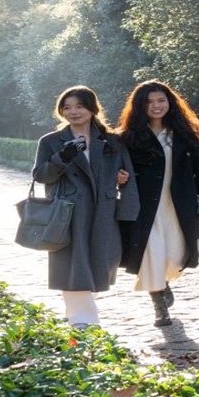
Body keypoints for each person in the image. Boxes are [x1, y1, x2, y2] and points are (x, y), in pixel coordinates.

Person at [116, 80, 199, 327]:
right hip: (144, 208)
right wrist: (117, 177)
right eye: (149, 102)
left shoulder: (185, 134)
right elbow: (115, 167)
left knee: (177, 256)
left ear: (170, 103)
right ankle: (159, 307)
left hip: (178, 205)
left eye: (161, 100)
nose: (156, 106)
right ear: (139, 106)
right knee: (150, 253)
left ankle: (163, 282)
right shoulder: (127, 138)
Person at [32, 86, 139, 329]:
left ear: (92, 108)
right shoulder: (50, 141)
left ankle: (80, 311)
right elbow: (41, 176)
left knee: (101, 262)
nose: (73, 112)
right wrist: (63, 156)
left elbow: (128, 175)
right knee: (71, 264)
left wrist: (127, 212)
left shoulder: (112, 141)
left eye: (80, 106)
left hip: (104, 211)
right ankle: (83, 319)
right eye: (67, 107)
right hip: (68, 213)